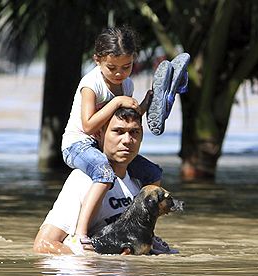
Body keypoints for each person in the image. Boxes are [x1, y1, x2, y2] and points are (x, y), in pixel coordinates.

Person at [61, 26, 163, 246]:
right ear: (97, 60)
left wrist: (146, 103)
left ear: (134, 60)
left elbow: (125, 120)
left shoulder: (127, 84)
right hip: (78, 145)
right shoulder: (91, 84)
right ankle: (81, 232)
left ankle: (146, 231)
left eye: (126, 67)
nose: (119, 73)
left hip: (104, 144)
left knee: (153, 173)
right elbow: (88, 126)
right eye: (112, 68)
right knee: (103, 172)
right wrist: (116, 101)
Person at [34, 107, 176, 255]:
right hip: (92, 275)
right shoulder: (83, 180)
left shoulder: (139, 183)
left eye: (134, 132)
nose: (127, 140)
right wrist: (97, 262)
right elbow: (43, 244)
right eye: (118, 132)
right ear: (99, 134)